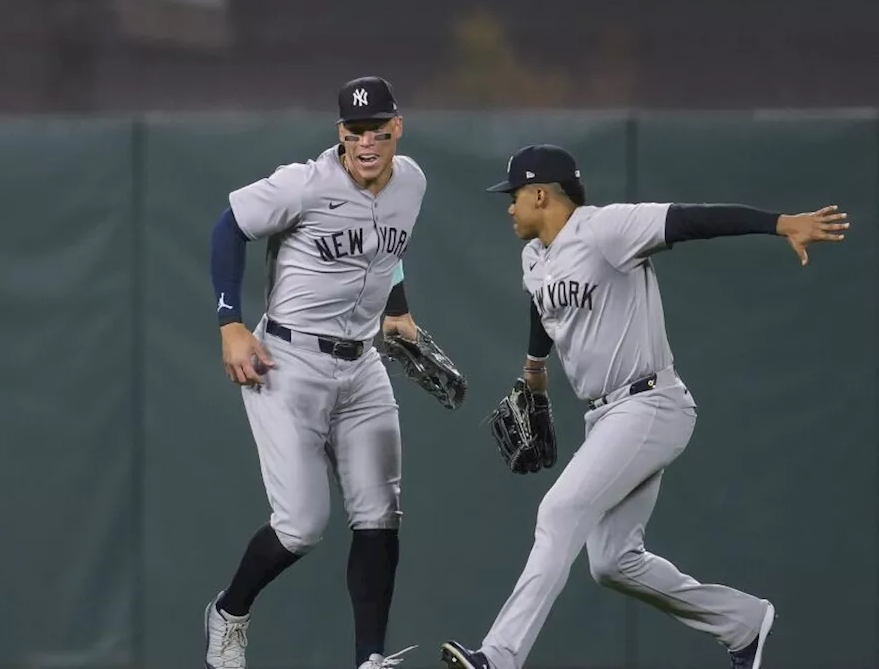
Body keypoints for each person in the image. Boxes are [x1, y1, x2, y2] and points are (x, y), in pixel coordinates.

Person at [438, 144, 848, 669]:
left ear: (541, 194)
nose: (509, 206)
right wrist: (534, 368)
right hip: (605, 417)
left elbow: (691, 222)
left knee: (559, 511)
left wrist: (779, 223)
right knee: (612, 562)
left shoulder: (606, 230)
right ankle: (743, 622)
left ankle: (498, 657)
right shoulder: (533, 255)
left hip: (649, 401)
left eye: (514, 195)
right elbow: (542, 304)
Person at [205, 76, 432, 669]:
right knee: (302, 526)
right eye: (354, 131)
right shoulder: (303, 184)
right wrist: (231, 322)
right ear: (340, 133)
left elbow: (387, 246)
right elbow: (228, 226)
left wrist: (399, 309)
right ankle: (230, 612)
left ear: (396, 129)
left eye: (376, 131)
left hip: (363, 365)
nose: (365, 143)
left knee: (381, 514)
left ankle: (371, 659)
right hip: (288, 362)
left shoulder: (411, 181)